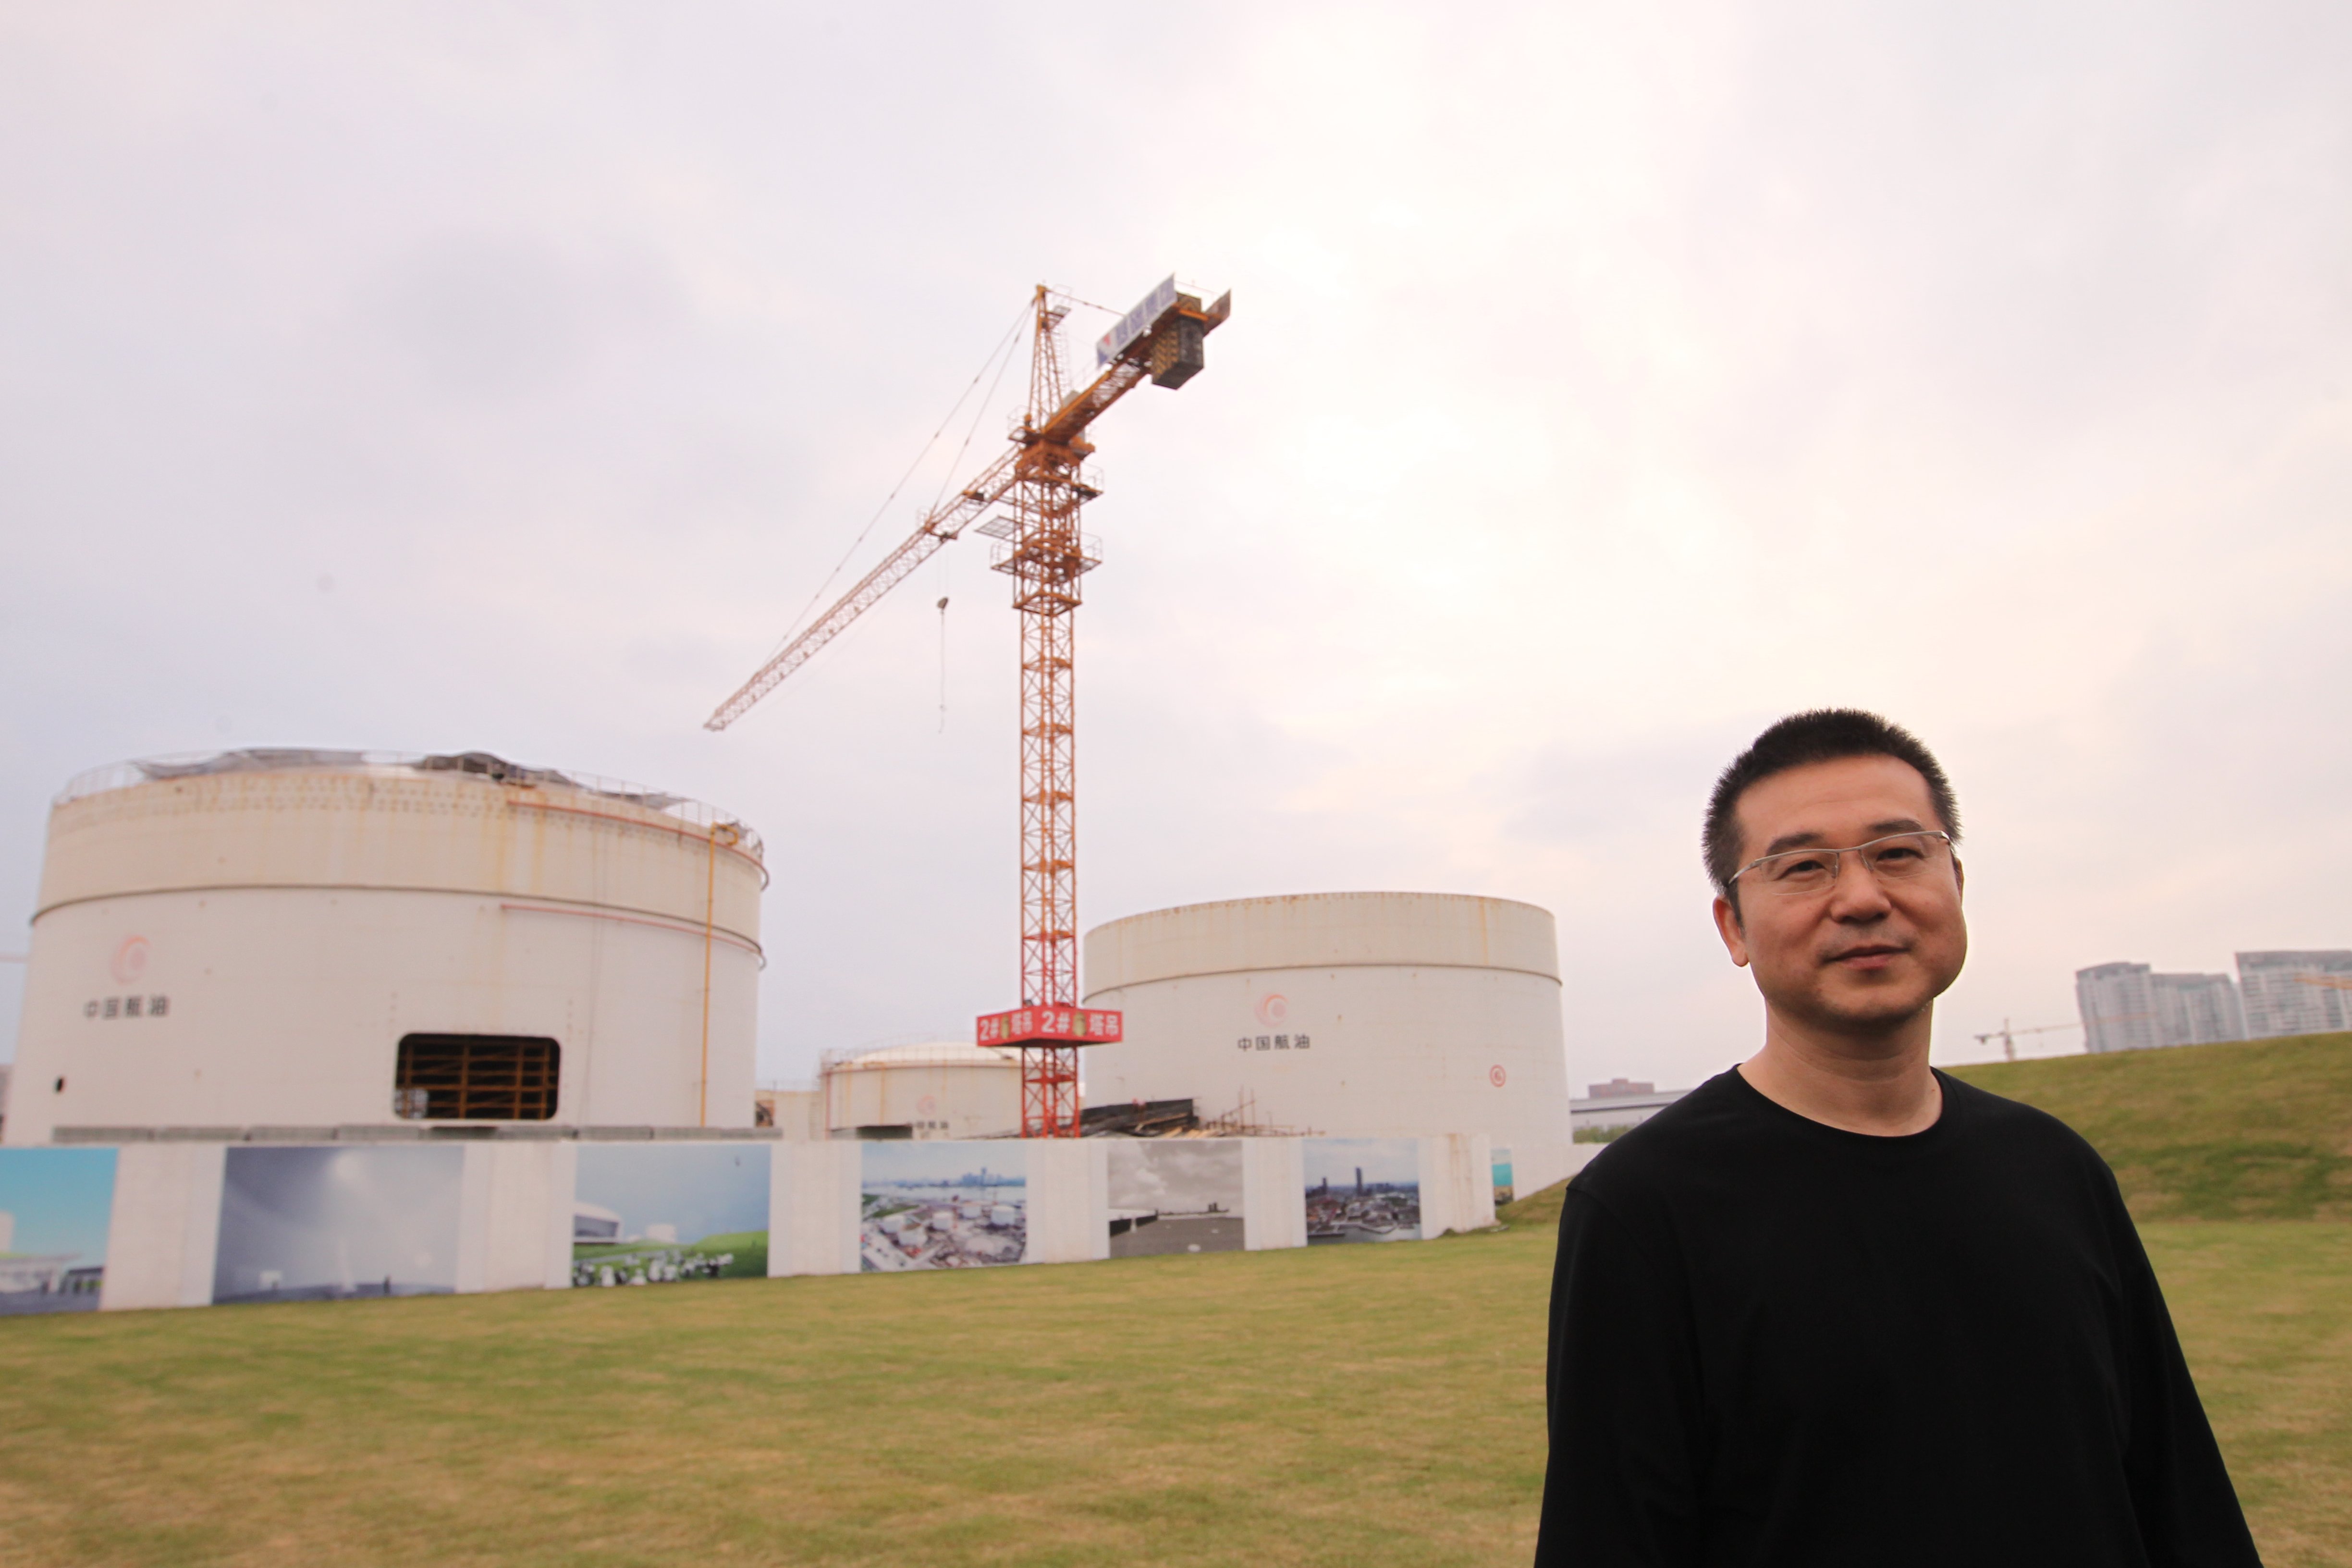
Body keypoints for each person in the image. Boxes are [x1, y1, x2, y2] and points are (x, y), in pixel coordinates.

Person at [1534, 709, 2260, 1568]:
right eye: (1802, 867)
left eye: (1899, 853)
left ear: (1954, 879)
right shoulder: (1644, 1208)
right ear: (1733, 926)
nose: (1863, 898)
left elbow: (2178, 1495)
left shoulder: (2057, 1169)